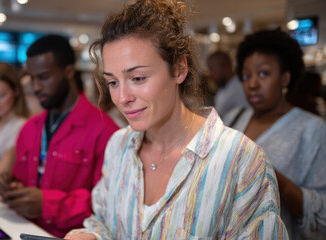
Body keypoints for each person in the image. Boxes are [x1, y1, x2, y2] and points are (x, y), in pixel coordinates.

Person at [65, 0, 288, 239]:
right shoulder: (118, 146)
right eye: (112, 82)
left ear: (179, 69)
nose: (122, 98)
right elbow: (103, 221)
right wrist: (91, 236)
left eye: (138, 78)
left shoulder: (240, 160)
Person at [0, 35, 119, 238]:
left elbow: (107, 206)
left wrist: (47, 205)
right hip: (20, 231)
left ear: (68, 72)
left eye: (43, 77)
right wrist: (10, 186)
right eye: (31, 78)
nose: (36, 87)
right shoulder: (30, 128)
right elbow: (24, 180)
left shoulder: (105, 131)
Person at [225, 28, 326, 239]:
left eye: (263, 73)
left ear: (285, 78)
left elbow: (321, 213)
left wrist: (264, 171)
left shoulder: (311, 129)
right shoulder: (233, 118)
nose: (252, 84)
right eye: (246, 76)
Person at [207, 50, 249, 118]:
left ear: (225, 67)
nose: (211, 75)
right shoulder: (224, 88)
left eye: (213, 71)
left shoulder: (239, 89)